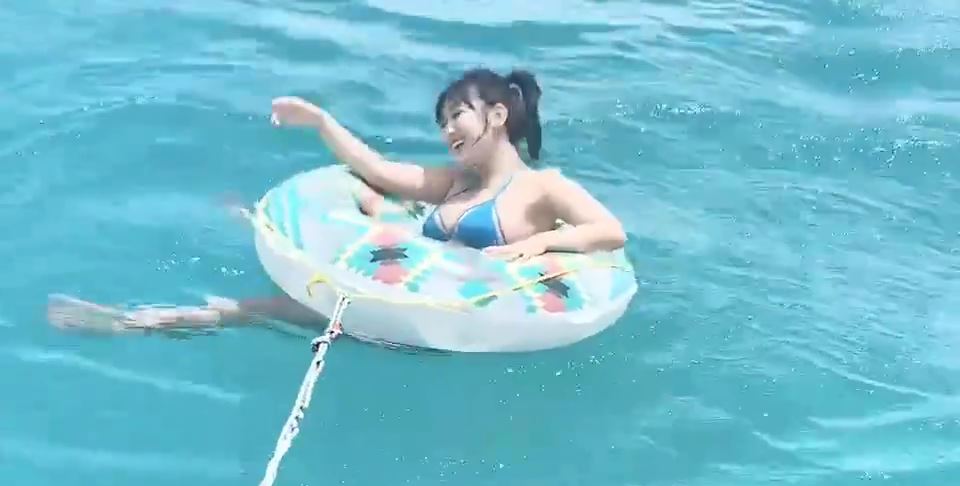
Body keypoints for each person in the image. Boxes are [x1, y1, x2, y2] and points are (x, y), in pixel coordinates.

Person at [47, 67, 625, 337]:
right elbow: (378, 169)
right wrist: (321, 121)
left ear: (497, 116)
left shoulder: (541, 187)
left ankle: (143, 318)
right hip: (390, 307)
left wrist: (540, 243)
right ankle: (133, 322)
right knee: (254, 307)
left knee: (264, 307)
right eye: (443, 120)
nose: (448, 128)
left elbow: (610, 232)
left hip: (469, 326)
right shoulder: (454, 183)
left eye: (458, 115)